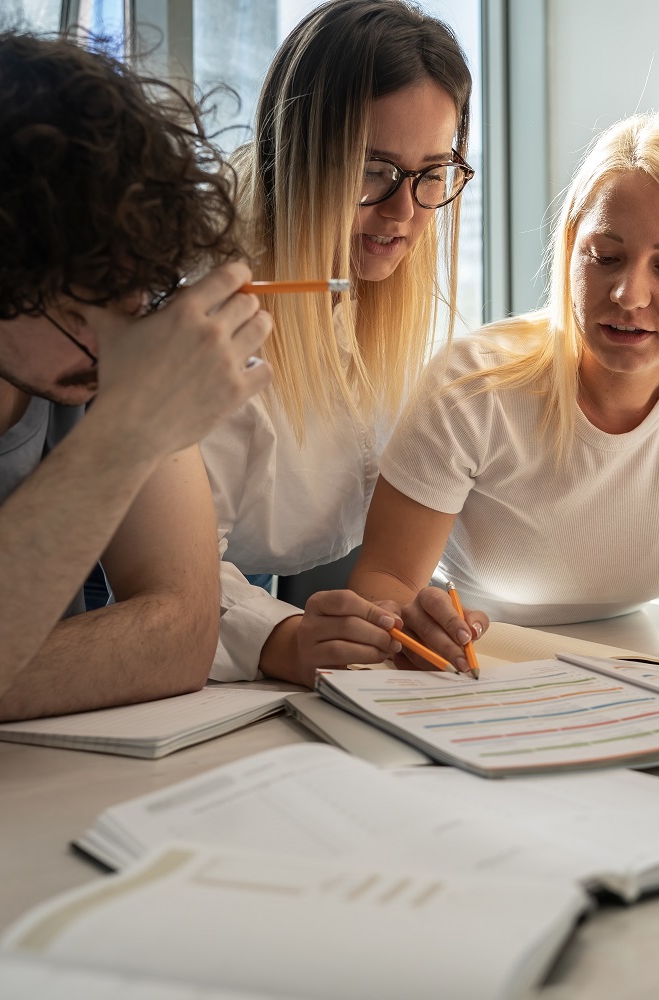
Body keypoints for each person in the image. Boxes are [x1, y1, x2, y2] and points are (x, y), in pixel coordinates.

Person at [0, 32, 272, 785]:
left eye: (142, 295)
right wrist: (133, 431)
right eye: (83, 308)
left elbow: (181, 635)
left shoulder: (102, 355)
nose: (126, 338)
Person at [349, 113, 659, 673]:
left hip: (638, 659)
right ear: (569, 255)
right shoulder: (470, 384)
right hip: (484, 666)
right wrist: (404, 619)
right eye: (605, 257)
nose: (629, 294)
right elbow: (385, 580)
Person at [202, 0, 473, 687]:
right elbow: (168, 580)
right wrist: (286, 640)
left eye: (431, 173)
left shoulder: (390, 310)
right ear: (292, 156)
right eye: (371, 169)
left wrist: (408, 600)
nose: (404, 211)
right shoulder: (212, 320)